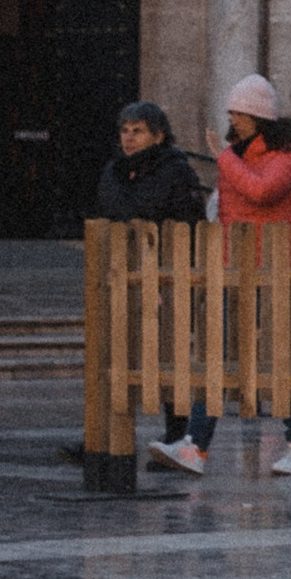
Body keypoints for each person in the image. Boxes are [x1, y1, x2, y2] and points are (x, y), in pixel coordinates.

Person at [145, 78, 291, 480]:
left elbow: (262, 191)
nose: (232, 121)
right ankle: (196, 447)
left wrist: (223, 159)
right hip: (232, 267)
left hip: (271, 270)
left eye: (238, 114)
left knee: (282, 361)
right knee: (217, 357)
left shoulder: (287, 154)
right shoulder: (237, 155)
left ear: (258, 117)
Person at [97, 105, 218, 475]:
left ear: (158, 136)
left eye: (138, 131)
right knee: (116, 353)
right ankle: (105, 436)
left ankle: (176, 434)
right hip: (124, 271)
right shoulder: (116, 168)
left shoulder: (175, 170)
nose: (129, 138)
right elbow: (108, 205)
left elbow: (180, 218)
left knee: (170, 356)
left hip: (167, 273)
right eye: (125, 130)